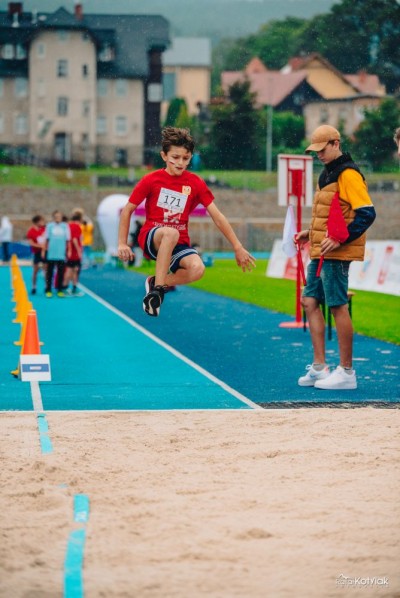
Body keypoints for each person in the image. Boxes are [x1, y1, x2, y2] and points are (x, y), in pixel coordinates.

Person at [118, 127, 255, 316]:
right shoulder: (151, 179)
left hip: (179, 243)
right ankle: (158, 291)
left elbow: (217, 216)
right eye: (175, 157)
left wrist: (237, 247)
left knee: (198, 269)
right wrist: (122, 243)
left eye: (186, 158)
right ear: (164, 156)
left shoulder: (195, 183)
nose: (181, 162)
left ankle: (156, 282)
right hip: (153, 237)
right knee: (170, 232)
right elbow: (128, 210)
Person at [295, 125, 376, 390]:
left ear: (335, 143)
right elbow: (333, 213)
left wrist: (340, 238)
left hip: (337, 251)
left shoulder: (349, 174)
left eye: (321, 149)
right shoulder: (327, 174)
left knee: (338, 305)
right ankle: (320, 367)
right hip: (321, 249)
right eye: (315, 150)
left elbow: (366, 213)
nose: (318, 154)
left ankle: (347, 372)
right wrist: (311, 232)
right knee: (309, 301)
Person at [42, 210, 70, 297]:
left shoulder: (65, 226)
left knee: (61, 272)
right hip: (51, 253)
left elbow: (68, 240)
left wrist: (68, 251)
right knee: (49, 272)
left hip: (61, 253)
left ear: (61, 217)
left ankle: (59, 289)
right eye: (56, 216)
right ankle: (48, 289)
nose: (58, 218)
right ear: (53, 217)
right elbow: (46, 239)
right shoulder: (49, 226)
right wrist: (43, 251)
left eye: (59, 216)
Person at [63, 211, 83, 296]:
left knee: (74, 269)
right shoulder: (76, 226)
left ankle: (72, 288)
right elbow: (74, 239)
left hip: (70, 251)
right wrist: (79, 251)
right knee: (71, 270)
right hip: (74, 253)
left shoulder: (68, 225)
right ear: (80, 219)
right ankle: (66, 287)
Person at [26, 214, 47, 294]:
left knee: (46, 270)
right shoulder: (31, 231)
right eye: (41, 221)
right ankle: (34, 286)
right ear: (37, 221)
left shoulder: (44, 229)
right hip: (36, 253)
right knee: (35, 270)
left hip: (44, 252)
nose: (43, 222)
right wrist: (40, 246)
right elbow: (31, 243)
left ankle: (46, 286)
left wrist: (44, 247)